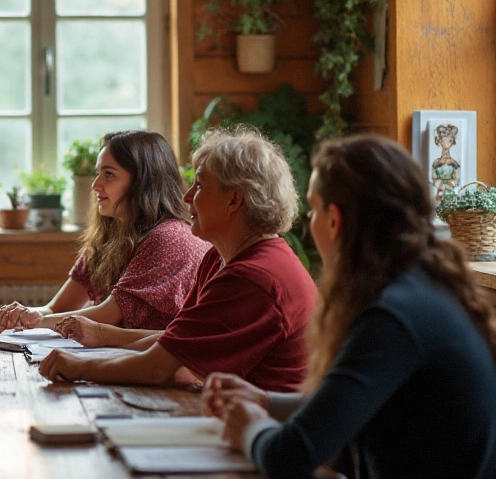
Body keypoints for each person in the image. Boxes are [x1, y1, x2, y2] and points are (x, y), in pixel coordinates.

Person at [204, 134, 496, 479]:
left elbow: (291, 456)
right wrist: (265, 402)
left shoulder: (393, 317)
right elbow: (345, 409)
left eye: (313, 211)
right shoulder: (427, 290)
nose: (310, 226)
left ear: (335, 221)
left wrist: (249, 427)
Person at [38, 125, 314, 392]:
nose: (186, 196)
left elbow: (158, 369)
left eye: (200, 185)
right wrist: (99, 336)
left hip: (265, 430)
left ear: (234, 200)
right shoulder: (217, 258)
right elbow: (177, 342)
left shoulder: (252, 277)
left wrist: (79, 367)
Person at [0, 130, 208, 347]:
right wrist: (27, 314)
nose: (95, 185)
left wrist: (38, 321)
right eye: (98, 173)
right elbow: (58, 307)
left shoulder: (169, 238)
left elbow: (109, 314)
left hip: (159, 370)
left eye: (109, 174)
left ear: (143, 181)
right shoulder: (110, 234)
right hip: (121, 359)